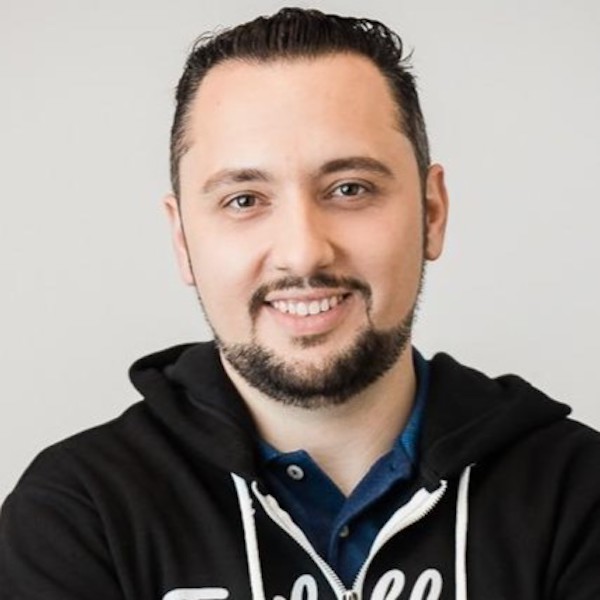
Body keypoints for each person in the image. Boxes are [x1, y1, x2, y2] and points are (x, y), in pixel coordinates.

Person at [1, 7, 599, 599]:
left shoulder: (578, 493)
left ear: (432, 212)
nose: (303, 252)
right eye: (244, 199)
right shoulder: (78, 514)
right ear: (183, 239)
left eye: (349, 189)